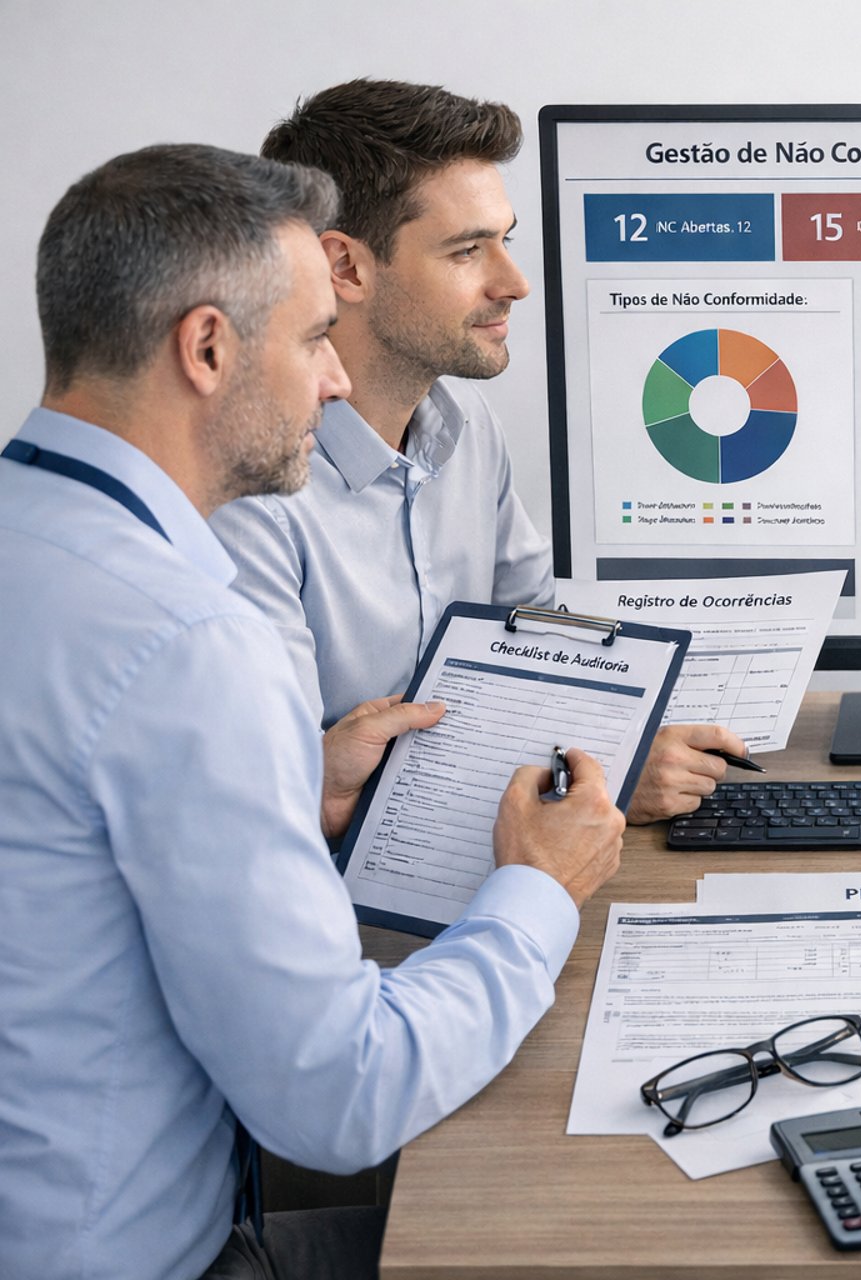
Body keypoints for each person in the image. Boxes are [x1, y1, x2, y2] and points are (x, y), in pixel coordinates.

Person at [0, 144, 627, 1279]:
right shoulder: (184, 636)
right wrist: (539, 889)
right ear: (206, 348)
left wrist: (301, 780)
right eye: (308, 343)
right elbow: (341, 1094)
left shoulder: (35, 540)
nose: (334, 383)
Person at [207, 79, 745, 823]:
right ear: (346, 267)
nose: (515, 283)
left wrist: (616, 731)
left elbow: (539, 640)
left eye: (505, 240)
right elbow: (283, 795)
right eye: (468, 251)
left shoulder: (465, 422)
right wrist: (605, 770)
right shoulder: (244, 489)